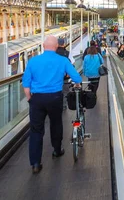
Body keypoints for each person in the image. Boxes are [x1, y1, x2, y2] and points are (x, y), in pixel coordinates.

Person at [22, 36, 82, 174]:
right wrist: (77, 84)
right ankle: (57, 150)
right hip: (55, 97)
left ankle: (36, 163)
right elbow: (76, 77)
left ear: (43, 46)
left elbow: (26, 84)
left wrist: (30, 99)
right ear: (56, 47)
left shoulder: (33, 61)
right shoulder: (62, 60)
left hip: (37, 99)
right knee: (56, 124)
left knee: (36, 130)